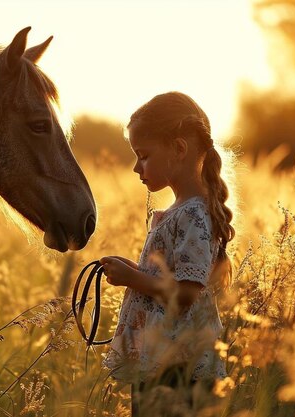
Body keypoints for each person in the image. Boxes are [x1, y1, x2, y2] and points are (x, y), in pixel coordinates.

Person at [100, 92, 235, 415]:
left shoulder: (194, 215)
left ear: (178, 149)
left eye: (143, 155)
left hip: (178, 364)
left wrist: (133, 278)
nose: (136, 167)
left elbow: (187, 293)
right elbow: (170, 279)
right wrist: (135, 272)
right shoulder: (180, 212)